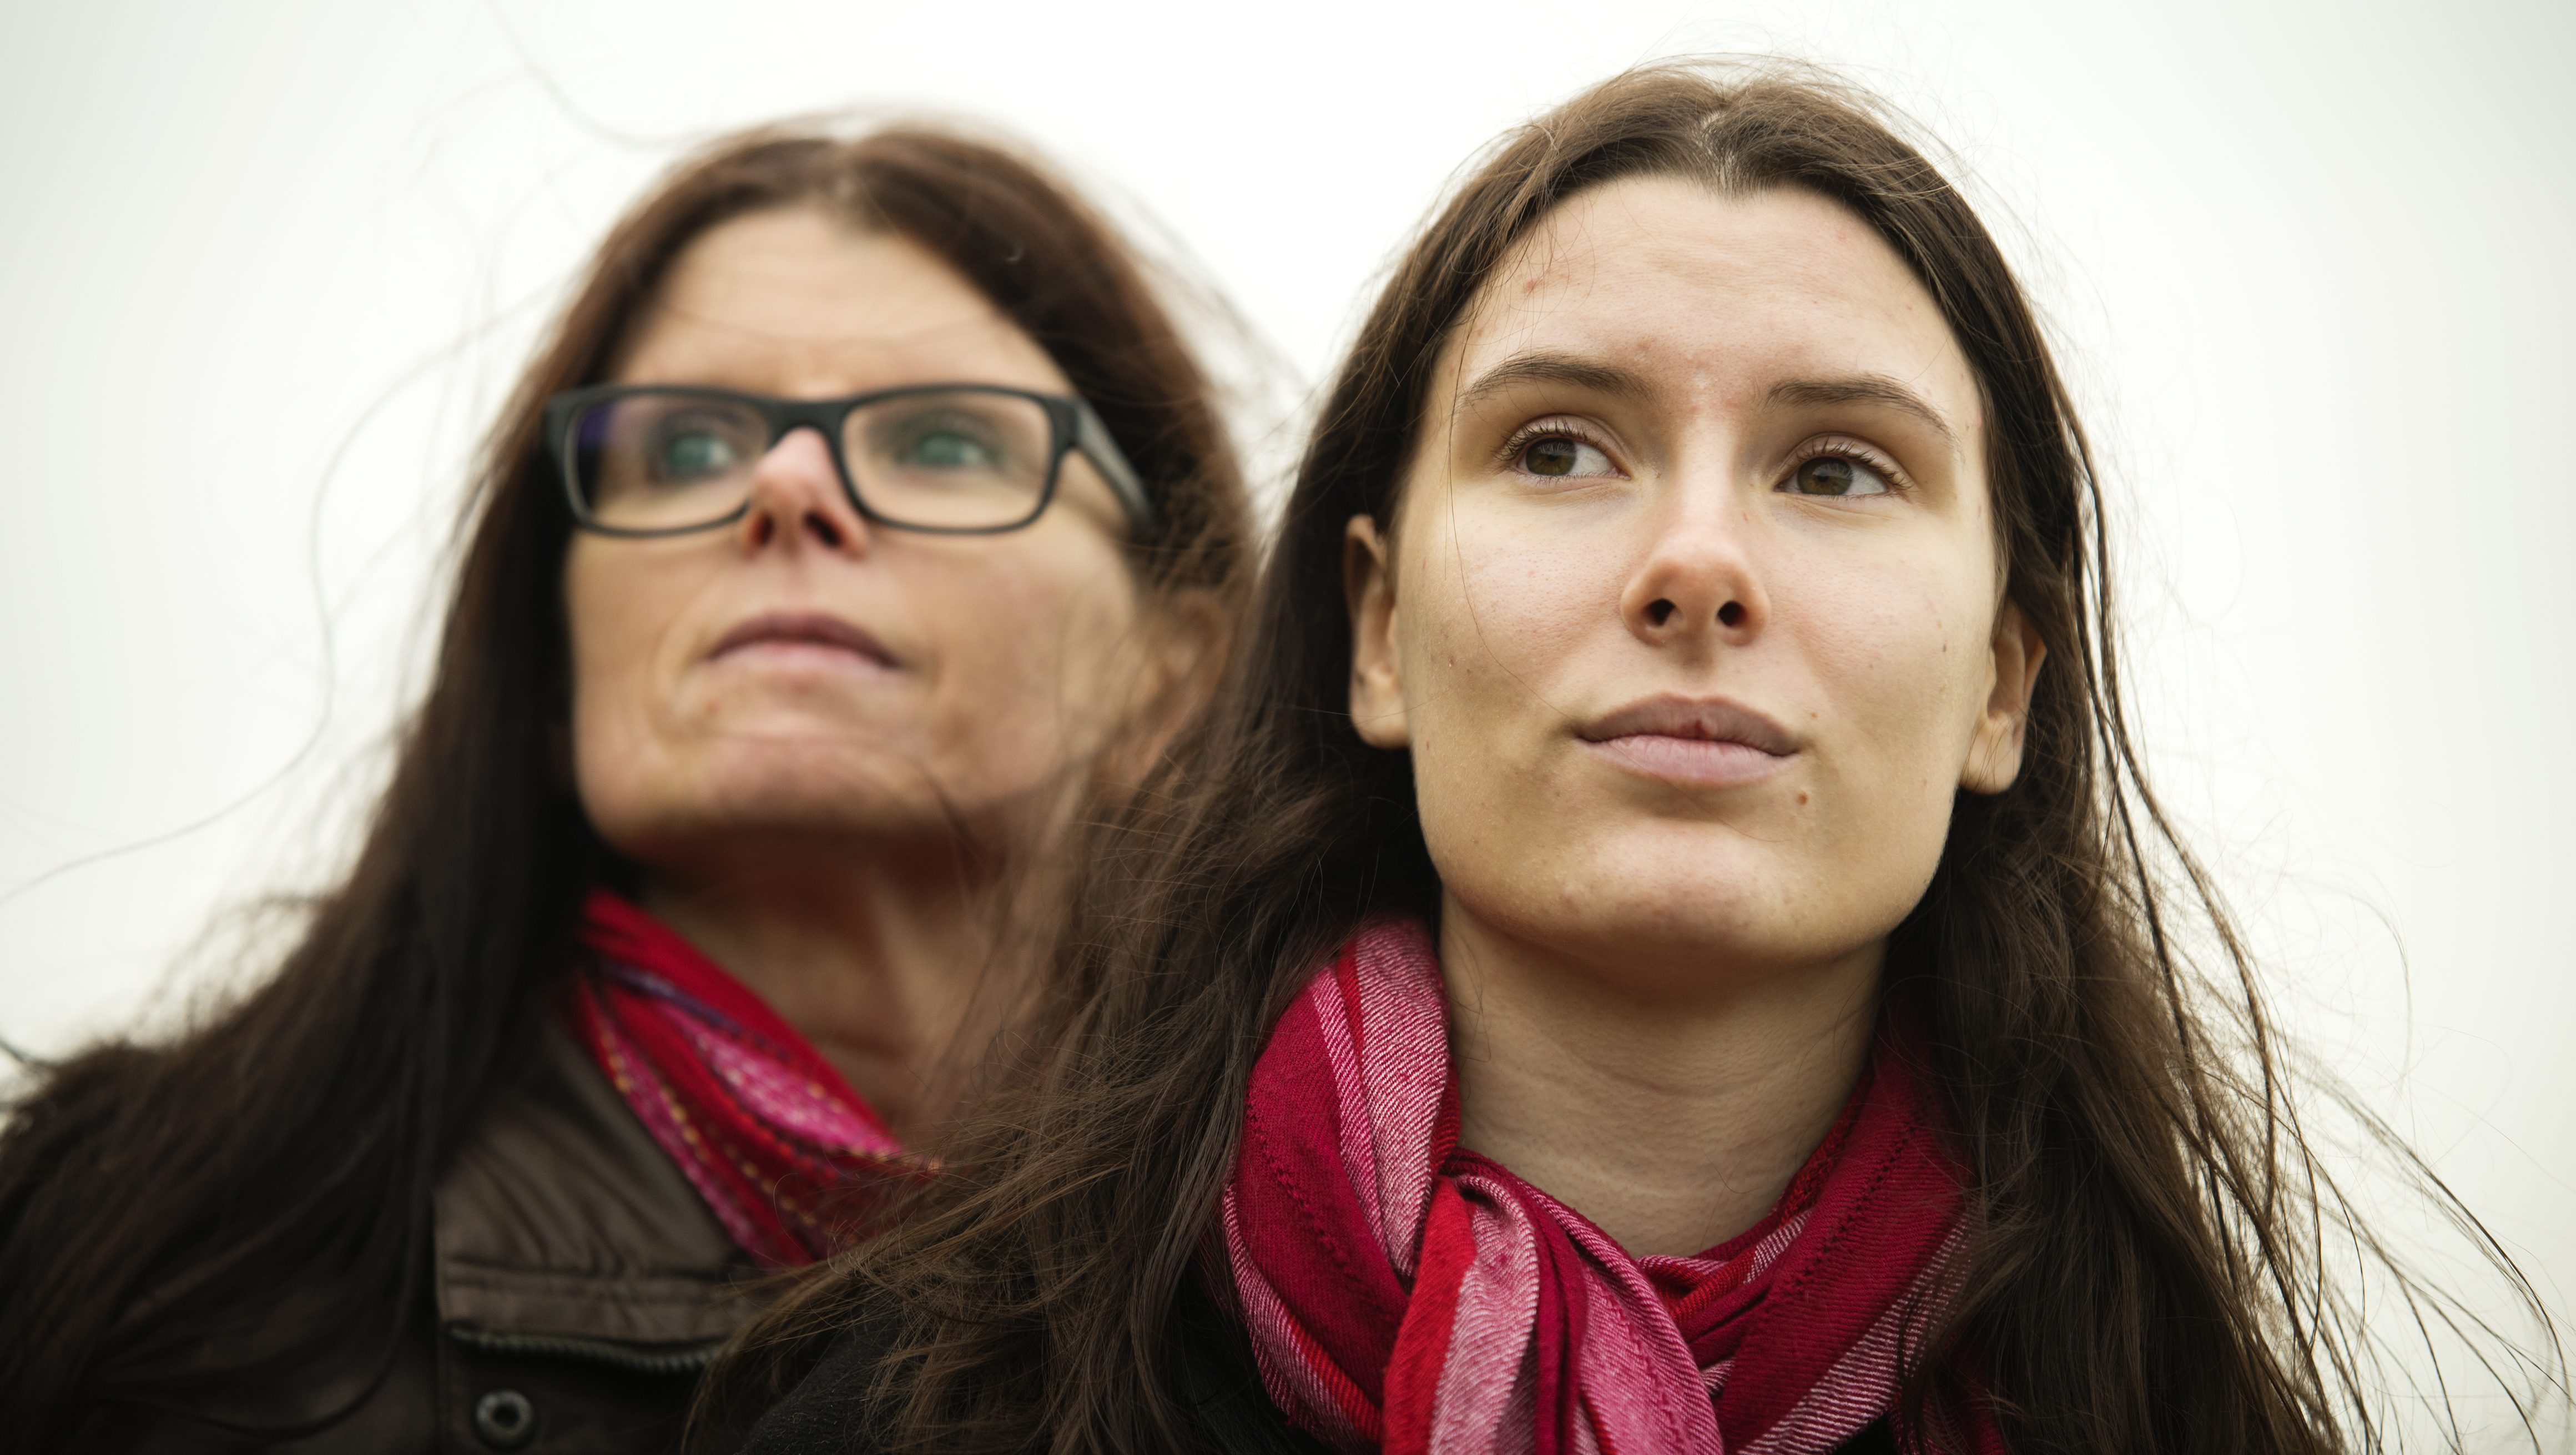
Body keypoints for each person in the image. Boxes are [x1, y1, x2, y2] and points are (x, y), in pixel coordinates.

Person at [708, 64, 2555, 1455]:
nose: (1694, 564)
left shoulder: (2177, 1413)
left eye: (1837, 469)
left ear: (2004, 687)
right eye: (1562, 448)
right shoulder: (940, 1403)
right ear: (1372, 633)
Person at [0, 122, 1249, 1452]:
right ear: (551, 671)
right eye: (683, 450)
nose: (784, 483)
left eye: (943, 443)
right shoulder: (117, 1268)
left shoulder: (1330, 1314)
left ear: (1167, 681)